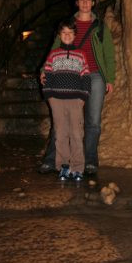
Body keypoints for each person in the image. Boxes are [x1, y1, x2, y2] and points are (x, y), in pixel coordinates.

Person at [39, 0, 115, 176]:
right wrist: (44, 70)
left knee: (93, 121)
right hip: (70, 75)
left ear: (93, 3)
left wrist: (110, 78)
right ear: (77, 3)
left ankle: (89, 161)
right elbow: (54, 48)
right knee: (62, 120)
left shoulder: (100, 27)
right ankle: (51, 159)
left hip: (95, 75)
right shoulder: (68, 24)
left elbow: (109, 55)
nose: (85, 3)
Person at [41, 18, 91, 182]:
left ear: (75, 35)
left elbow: (86, 77)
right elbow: (47, 74)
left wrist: (83, 96)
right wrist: (49, 96)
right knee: (61, 133)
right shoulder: (54, 54)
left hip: (75, 99)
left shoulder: (81, 54)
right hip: (57, 99)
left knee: (76, 133)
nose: (67, 35)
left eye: (70, 32)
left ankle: (77, 167)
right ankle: (63, 166)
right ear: (59, 35)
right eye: (64, 32)